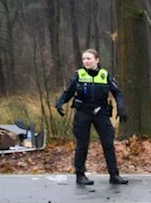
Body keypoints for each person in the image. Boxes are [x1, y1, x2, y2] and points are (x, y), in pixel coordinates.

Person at [54, 49, 129, 186]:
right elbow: (68, 92)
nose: (86, 61)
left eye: (89, 58)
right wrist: (59, 103)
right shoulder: (79, 75)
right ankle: (80, 175)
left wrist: (121, 107)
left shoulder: (104, 75)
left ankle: (114, 175)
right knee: (82, 144)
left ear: (97, 60)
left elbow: (118, 93)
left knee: (108, 143)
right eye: (84, 59)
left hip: (101, 112)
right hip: (83, 112)